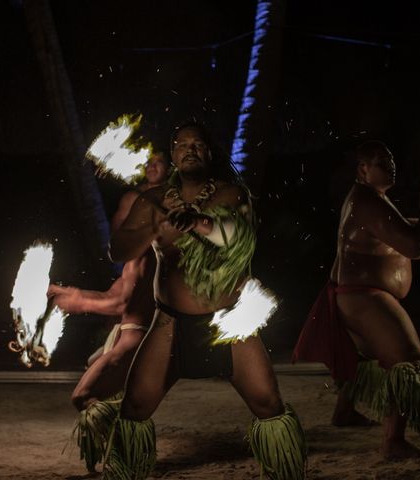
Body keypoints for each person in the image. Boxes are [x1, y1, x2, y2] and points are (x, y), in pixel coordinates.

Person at [108, 123, 306, 480]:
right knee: (135, 405)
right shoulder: (152, 201)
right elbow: (118, 250)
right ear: (173, 155)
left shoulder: (232, 195)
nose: (190, 149)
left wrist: (197, 221)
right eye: (182, 144)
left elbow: (237, 238)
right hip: (170, 324)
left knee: (268, 404)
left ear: (209, 153)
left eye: (198, 144)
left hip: (228, 322)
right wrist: (155, 229)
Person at [293, 140, 420, 459]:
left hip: (355, 294)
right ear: (363, 169)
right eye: (381, 161)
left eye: (391, 159)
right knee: (407, 357)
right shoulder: (367, 201)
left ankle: (344, 412)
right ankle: (394, 442)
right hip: (362, 297)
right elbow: (414, 247)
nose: (391, 165)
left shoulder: (370, 198)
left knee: (365, 359)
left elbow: (397, 230)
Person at [47, 152, 170, 473]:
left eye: (126, 212)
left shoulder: (149, 255)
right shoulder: (136, 257)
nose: (119, 218)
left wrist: (80, 304)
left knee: (84, 395)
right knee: (99, 379)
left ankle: (132, 454)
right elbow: (115, 295)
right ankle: (128, 450)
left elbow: (119, 305)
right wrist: (72, 294)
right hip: (128, 334)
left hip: (140, 338)